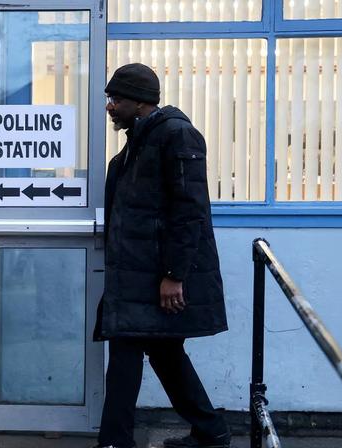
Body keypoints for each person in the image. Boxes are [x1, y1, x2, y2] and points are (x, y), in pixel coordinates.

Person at [92, 63, 231, 448]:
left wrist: (175, 274)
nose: (109, 106)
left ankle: (115, 442)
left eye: (115, 99)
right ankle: (211, 432)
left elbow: (190, 210)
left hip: (156, 277)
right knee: (164, 354)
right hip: (137, 278)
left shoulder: (176, 136)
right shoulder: (136, 144)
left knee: (128, 355)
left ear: (139, 102)